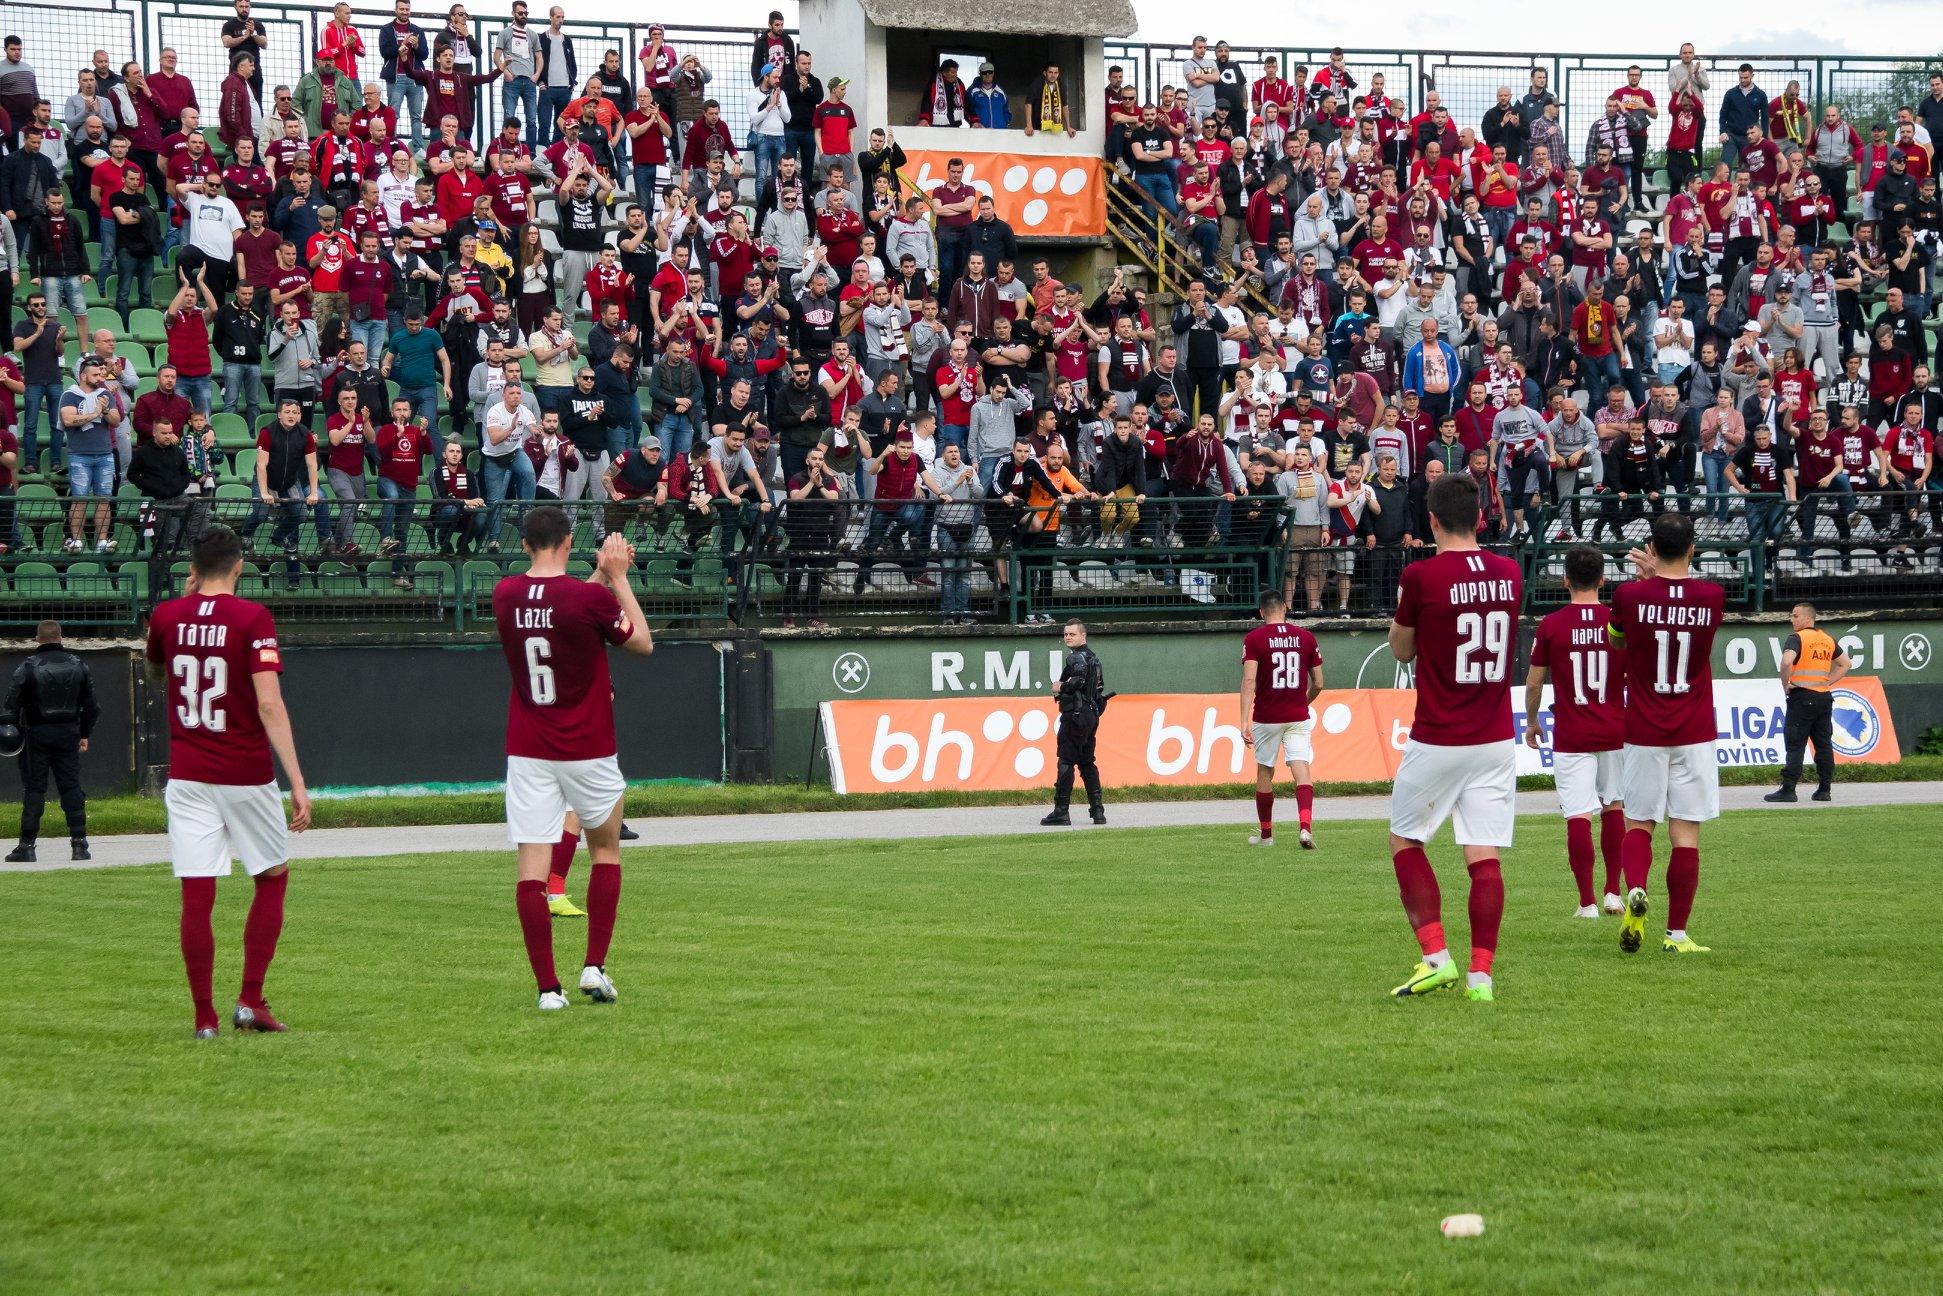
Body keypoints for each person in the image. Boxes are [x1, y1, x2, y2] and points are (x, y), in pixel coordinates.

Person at [144, 526, 312, 1038]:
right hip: (243, 771)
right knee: (271, 876)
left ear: (192, 568)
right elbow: (268, 702)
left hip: (189, 772)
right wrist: (298, 782)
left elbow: (157, 670)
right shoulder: (252, 617)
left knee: (198, 894)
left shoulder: (167, 615)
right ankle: (250, 1000)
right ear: (239, 565)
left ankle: (203, 1018)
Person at [493, 509, 655, 1011]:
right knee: (605, 852)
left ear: (525, 545)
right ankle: (594, 966)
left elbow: (562, 607)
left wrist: (600, 577)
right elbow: (642, 644)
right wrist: (619, 579)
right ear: (568, 541)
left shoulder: (504, 594)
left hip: (529, 750)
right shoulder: (587, 600)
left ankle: (547, 990)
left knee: (530, 872)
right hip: (587, 748)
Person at [1385, 472, 1523, 1002]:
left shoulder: (1422, 577)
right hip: (1493, 734)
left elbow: (1401, 650)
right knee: (1482, 853)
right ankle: (1481, 979)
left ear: (1432, 520)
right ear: (1482, 517)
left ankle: (1435, 958)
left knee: (1405, 838)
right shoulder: (1508, 572)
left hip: (1440, 732)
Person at [1608, 511, 1725, 957]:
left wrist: (1647, 581)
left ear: (1651, 549)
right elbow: (1684, 603)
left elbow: (1617, 641)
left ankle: (1636, 888)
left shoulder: (1629, 595)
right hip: (1694, 729)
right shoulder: (1713, 595)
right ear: (1693, 549)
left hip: (1643, 728)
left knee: (1640, 821)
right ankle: (1677, 934)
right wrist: (1661, 578)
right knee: (1686, 831)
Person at [1524, 545, 1628, 919]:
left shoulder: (1551, 625)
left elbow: (1534, 683)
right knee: (1614, 806)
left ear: (1565, 580)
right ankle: (1613, 892)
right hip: (1615, 729)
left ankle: (1586, 903)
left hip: (1572, 734)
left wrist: (1532, 720)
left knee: (1578, 815)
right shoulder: (1618, 621)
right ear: (1603, 579)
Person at [4, 620, 99, 863]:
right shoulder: (79, 666)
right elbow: (92, 707)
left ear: (37, 638)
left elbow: (11, 708)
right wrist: (84, 733)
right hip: (68, 733)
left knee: (35, 789)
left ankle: (27, 845)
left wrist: (12, 736)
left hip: (36, 734)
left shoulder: (27, 668)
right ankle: (79, 844)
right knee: (71, 787)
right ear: (60, 637)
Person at [1239, 592, 1324, 849]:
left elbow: (1249, 681)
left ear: (1261, 612)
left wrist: (1243, 720)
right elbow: (1319, 683)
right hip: (1297, 715)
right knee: (1302, 769)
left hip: (1267, 716)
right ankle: (1305, 829)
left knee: (1265, 771)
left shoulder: (1254, 639)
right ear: (1285, 608)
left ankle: (1266, 836)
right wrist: (1303, 703)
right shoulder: (1306, 637)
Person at [1765, 603, 1851, 804]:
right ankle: (1824, 789)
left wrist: (1786, 684)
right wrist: (1828, 681)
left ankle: (1788, 790)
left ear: (1807, 618)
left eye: (1795, 616)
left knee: (1795, 744)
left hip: (1802, 697)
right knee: (1823, 744)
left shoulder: (1797, 638)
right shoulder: (1827, 639)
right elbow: (1846, 663)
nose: (1791, 619)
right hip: (1824, 697)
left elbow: (1787, 662)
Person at [1040, 619, 1107, 827]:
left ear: (1083, 636)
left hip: (1075, 715)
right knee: (1087, 762)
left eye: (1072, 634)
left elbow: (1077, 680)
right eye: (1066, 634)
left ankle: (1061, 811)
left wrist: (1061, 687)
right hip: (1091, 716)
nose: (1068, 637)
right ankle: (1098, 811)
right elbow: (1100, 689)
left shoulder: (1076, 658)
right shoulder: (1094, 659)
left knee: (1066, 761)